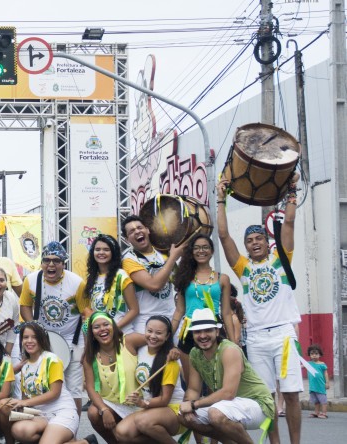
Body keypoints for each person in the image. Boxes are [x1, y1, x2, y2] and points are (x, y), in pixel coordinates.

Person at [216, 178, 301, 444]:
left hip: (283, 336)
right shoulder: (243, 268)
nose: (254, 243)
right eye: (249, 240)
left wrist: (291, 192)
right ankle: (274, 443)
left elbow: (288, 223)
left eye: (259, 239)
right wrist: (221, 198)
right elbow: (223, 236)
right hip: (256, 339)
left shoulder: (281, 259)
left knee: (291, 394)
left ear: (267, 241)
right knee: (266, 398)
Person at [178, 308, 276, 444]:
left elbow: (228, 393)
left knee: (216, 414)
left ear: (217, 331)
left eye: (208, 330)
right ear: (193, 334)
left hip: (258, 405)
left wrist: (194, 405)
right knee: (183, 416)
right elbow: (194, 389)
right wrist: (188, 406)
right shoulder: (195, 353)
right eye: (198, 331)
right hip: (228, 405)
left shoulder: (229, 350)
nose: (203, 335)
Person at [20, 242, 86, 411]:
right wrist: (33, 327)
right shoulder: (31, 280)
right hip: (44, 341)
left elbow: (87, 315)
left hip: (73, 339)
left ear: (63, 263)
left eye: (56, 261)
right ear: (41, 262)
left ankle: (72, 431)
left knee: (74, 390)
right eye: (46, 260)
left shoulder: (77, 283)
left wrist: (88, 347)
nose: (51, 264)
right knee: (42, 384)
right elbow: (25, 306)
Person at [0, 322, 78, 444]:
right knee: (18, 429)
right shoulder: (24, 367)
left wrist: (23, 402)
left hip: (61, 411)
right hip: (39, 415)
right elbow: (26, 398)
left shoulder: (52, 359)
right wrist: (16, 405)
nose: (29, 341)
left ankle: (83, 442)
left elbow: (54, 393)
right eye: (25, 337)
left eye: (34, 337)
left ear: (42, 339)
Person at [113, 315, 184, 444]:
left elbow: (164, 400)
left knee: (143, 422)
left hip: (173, 410)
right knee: (122, 433)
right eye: (149, 331)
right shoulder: (141, 349)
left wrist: (142, 403)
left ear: (167, 336)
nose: (152, 336)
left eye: (159, 333)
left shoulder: (170, 361)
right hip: (151, 409)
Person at [171, 234, 233, 378]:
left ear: (212, 251)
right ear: (192, 251)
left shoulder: (223, 278)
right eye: (197, 248)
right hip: (189, 329)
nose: (201, 251)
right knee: (191, 380)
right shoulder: (184, 277)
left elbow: (226, 313)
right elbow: (179, 310)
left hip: (214, 329)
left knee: (215, 380)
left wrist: (233, 340)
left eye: (205, 247)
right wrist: (168, 337)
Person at [80, 312, 142, 444]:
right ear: (92, 333)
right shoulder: (89, 357)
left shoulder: (129, 341)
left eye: (106, 324)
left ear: (113, 326)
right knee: (93, 412)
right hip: (112, 404)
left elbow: (155, 340)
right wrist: (104, 409)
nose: (102, 329)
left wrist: (172, 352)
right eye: (96, 327)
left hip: (138, 402)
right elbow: (91, 388)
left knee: (128, 435)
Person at [120, 215, 184, 334]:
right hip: (146, 321)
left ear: (147, 230)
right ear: (127, 239)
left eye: (140, 227)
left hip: (172, 317)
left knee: (176, 352)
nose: (137, 231)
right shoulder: (129, 260)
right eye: (132, 231)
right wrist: (173, 258)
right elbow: (154, 285)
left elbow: (178, 281)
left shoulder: (163, 252)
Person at [76, 235, 139, 334]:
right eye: (97, 249)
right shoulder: (91, 278)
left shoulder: (121, 275)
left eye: (106, 249)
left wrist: (114, 328)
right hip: (101, 335)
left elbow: (134, 310)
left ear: (113, 253)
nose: (101, 252)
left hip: (121, 332)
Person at [306, 345, 329, 419]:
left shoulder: (322, 364)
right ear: (309, 355)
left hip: (321, 385)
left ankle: (324, 413)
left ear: (320, 354)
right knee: (316, 401)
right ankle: (316, 412)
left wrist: (327, 383)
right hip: (313, 386)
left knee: (323, 400)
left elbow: (326, 374)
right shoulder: (308, 363)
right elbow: (301, 366)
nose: (314, 355)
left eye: (316, 354)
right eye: (312, 354)